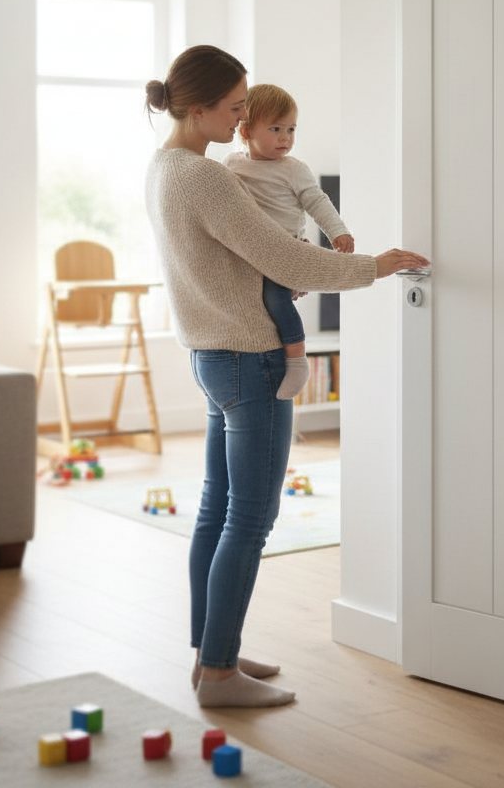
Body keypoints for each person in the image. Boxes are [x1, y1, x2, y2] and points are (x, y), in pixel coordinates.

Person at [143, 45, 429, 709]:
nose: (242, 118)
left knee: (217, 509)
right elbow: (286, 259)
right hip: (251, 356)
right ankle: (219, 676)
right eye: (235, 107)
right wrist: (377, 266)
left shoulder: (163, 168)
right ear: (198, 108)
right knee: (250, 517)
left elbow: (235, 258)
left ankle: (210, 653)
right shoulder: (206, 177)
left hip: (210, 356)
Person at [224, 82, 351, 402]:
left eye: (291, 129)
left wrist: (337, 232)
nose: (285, 137)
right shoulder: (233, 165)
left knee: (278, 300)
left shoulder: (293, 169)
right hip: (251, 252)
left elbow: (317, 202)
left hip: (286, 250)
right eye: (276, 129)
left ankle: (297, 361)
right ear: (246, 132)